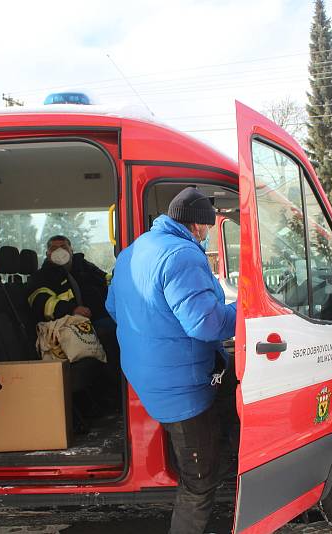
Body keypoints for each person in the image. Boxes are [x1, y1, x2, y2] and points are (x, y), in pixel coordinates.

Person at [106, 187, 237, 534]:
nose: (208, 233)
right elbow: (206, 324)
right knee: (199, 481)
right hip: (183, 389)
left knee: (219, 430)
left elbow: (113, 308)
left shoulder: (133, 251)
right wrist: (245, 310)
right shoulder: (183, 254)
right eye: (208, 226)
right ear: (198, 226)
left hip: (150, 376)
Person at [26, 236, 119, 423]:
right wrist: (71, 309)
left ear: (71, 249)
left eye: (63, 246)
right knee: (110, 336)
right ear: (47, 253)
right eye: (54, 248)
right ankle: (118, 396)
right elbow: (40, 301)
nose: (59, 251)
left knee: (119, 331)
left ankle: (114, 395)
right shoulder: (42, 277)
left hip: (102, 317)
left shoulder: (84, 266)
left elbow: (106, 280)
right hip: (73, 327)